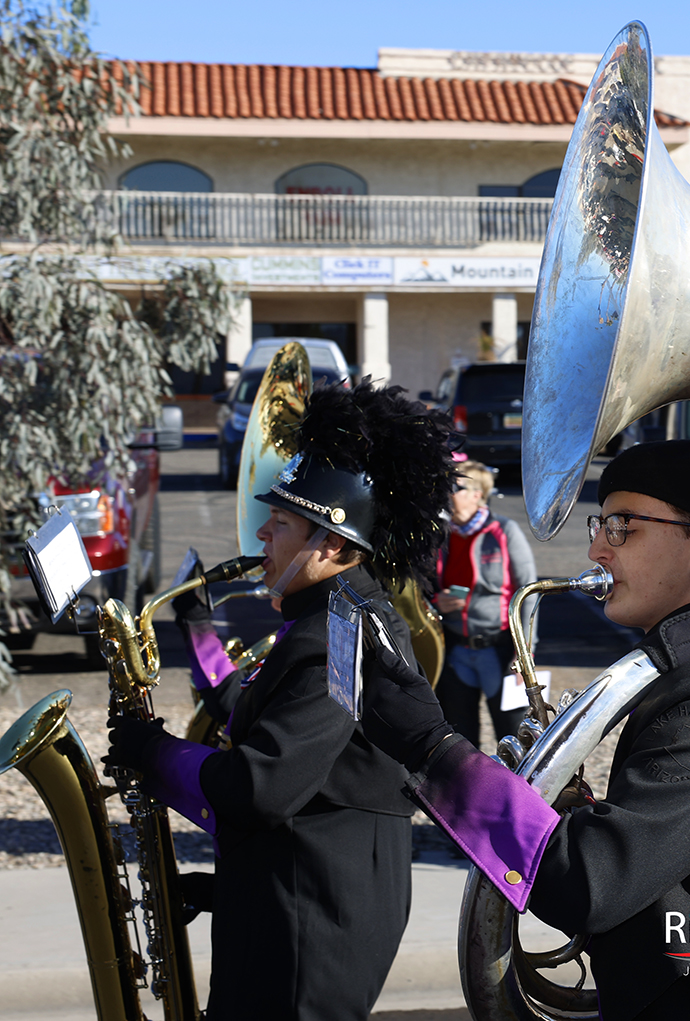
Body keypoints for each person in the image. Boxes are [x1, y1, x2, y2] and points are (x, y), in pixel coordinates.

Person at [360, 440, 690, 1021]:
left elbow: (591, 882)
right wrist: (569, 806)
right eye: (600, 524)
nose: (597, 547)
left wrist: (434, 749)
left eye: (623, 526)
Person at [105, 381, 456, 1021]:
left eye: (283, 521)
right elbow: (267, 722)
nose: (263, 532)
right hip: (303, 898)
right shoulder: (330, 617)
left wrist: (153, 754)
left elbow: (260, 786)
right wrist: (199, 632)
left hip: (313, 925)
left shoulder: (334, 635)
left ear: (336, 546)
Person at [434, 459, 538, 747]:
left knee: (515, 736)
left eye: (456, 487)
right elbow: (424, 587)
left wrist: (526, 650)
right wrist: (436, 602)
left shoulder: (504, 531)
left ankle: (521, 792)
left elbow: (529, 590)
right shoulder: (441, 535)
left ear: (477, 494)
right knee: (459, 739)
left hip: (501, 650)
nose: (448, 492)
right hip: (455, 649)